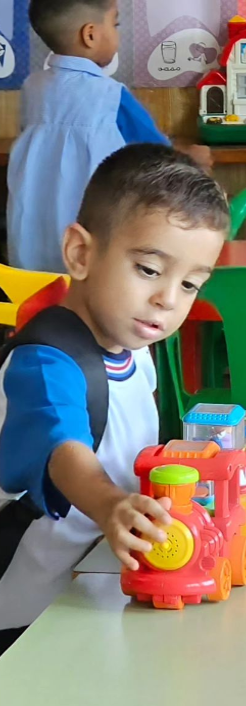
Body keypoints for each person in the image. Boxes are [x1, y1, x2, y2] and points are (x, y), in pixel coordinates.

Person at [0, 144, 229, 655]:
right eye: (149, 269)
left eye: (190, 284)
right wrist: (111, 507)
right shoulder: (46, 362)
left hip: (92, 586)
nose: (168, 299)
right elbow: (66, 454)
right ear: (81, 253)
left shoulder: (133, 345)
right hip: (23, 614)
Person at [7, 0, 212, 273]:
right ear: (90, 34)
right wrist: (194, 157)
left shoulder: (33, 89)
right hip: (87, 252)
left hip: (29, 251)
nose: (117, 34)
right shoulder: (109, 96)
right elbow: (160, 154)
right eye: (114, 24)